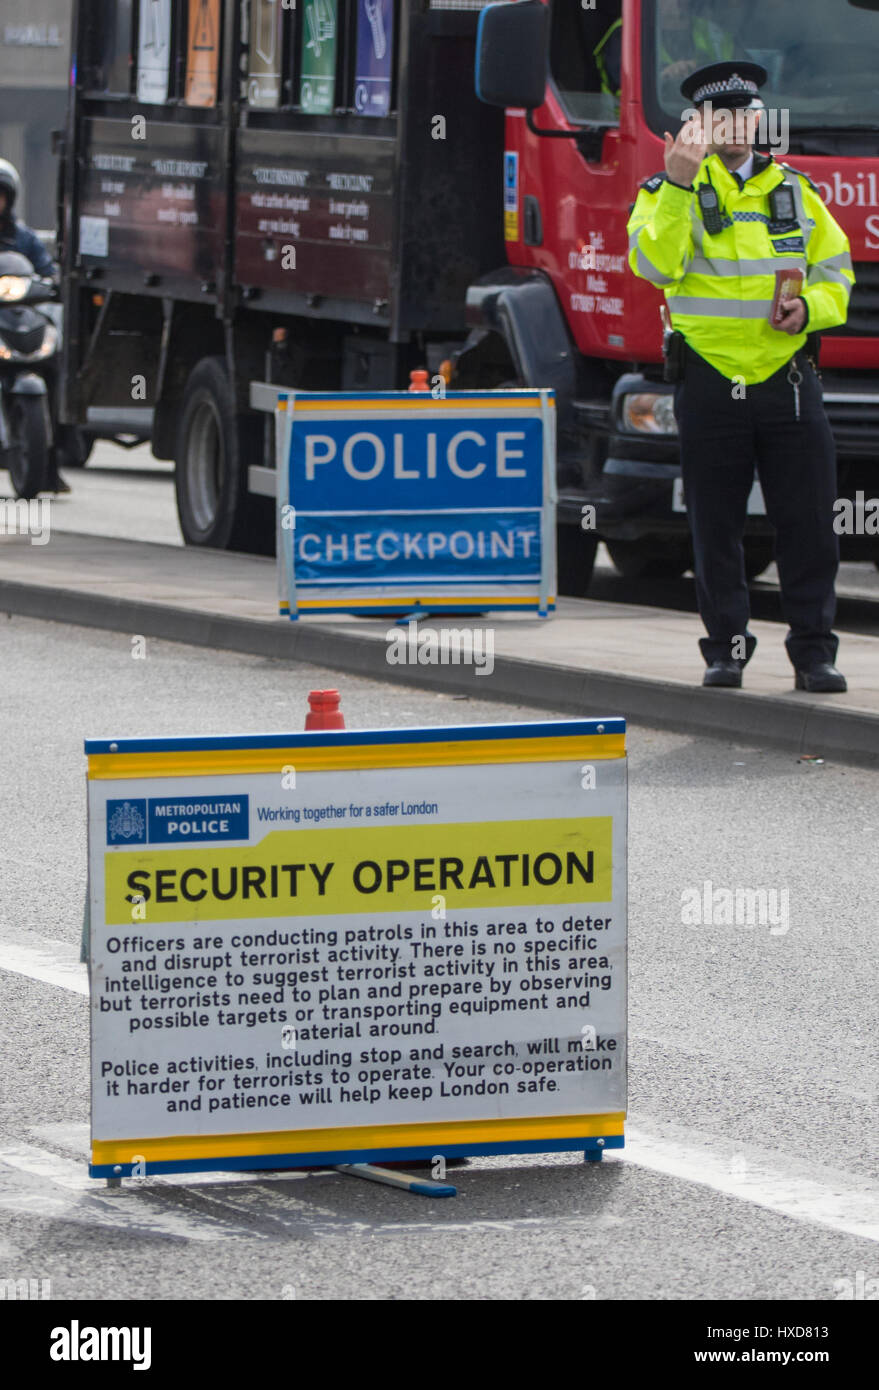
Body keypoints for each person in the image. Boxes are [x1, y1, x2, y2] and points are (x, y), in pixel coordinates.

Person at [627, 61, 854, 692]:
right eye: (716, 116)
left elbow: (838, 275)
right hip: (709, 376)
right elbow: (653, 266)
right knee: (716, 525)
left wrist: (811, 308)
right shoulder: (664, 191)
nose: (732, 126)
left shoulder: (796, 191)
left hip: (786, 376)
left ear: (758, 121)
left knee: (810, 522)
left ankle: (814, 655)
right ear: (696, 124)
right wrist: (676, 187)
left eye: (743, 114)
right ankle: (725, 652)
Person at [0, 158, 70, 493]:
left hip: (19, 316)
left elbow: (46, 269)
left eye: (0, 195)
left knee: (53, 364)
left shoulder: (25, 238)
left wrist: (54, 280)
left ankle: (52, 458)